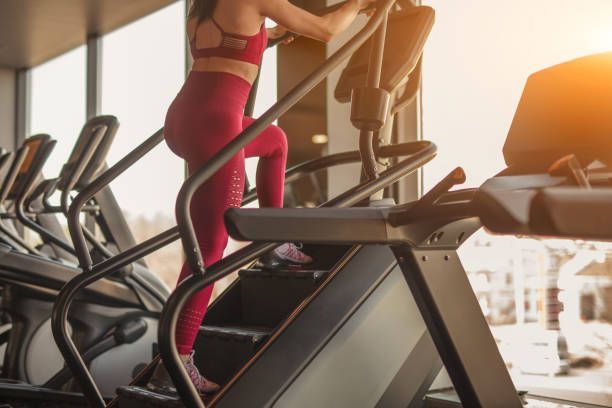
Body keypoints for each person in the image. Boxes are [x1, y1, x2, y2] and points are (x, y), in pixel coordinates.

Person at [158, 0, 377, 395]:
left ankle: (275, 241)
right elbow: (327, 29)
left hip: (184, 116)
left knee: (274, 140)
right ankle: (179, 359)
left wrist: (272, 34)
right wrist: (360, 4)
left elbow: (232, 42)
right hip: (215, 121)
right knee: (209, 248)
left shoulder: (202, 7)